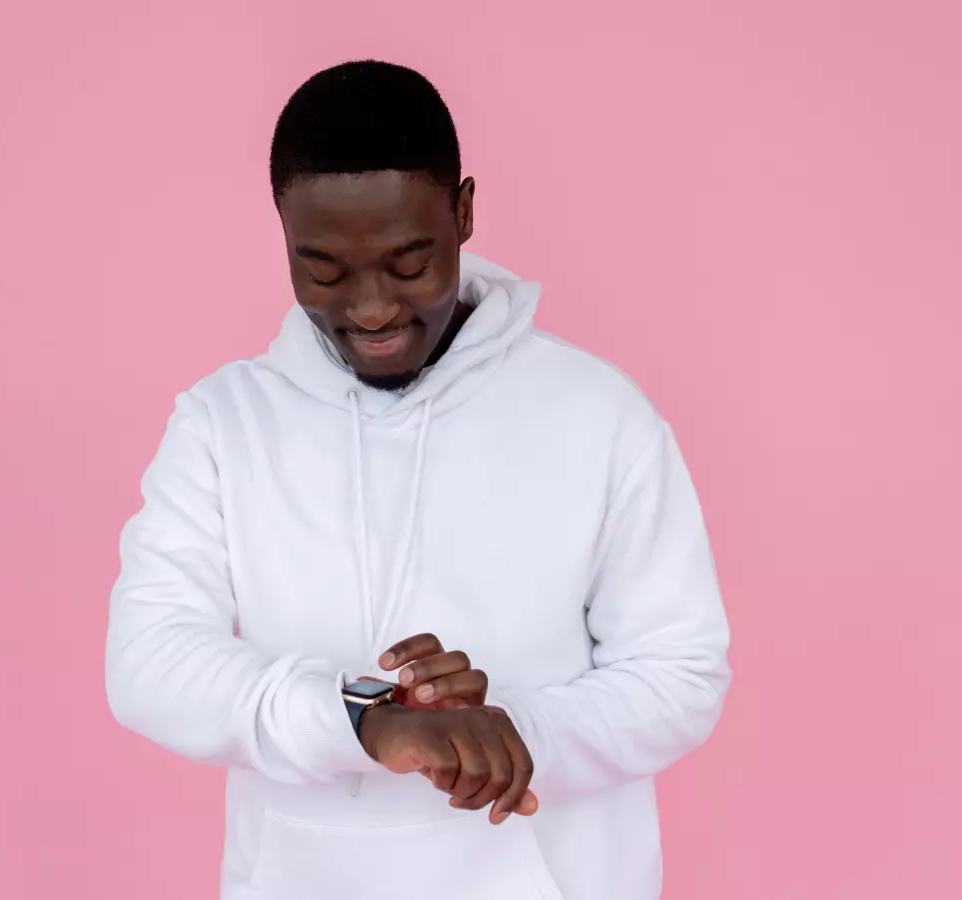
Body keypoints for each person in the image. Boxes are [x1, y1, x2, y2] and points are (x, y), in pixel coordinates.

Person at [106, 59, 731, 900]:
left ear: (464, 211)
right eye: (324, 269)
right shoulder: (222, 424)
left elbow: (680, 670)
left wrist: (509, 733)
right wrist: (364, 718)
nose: (369, 308)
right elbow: (149, 663)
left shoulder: (599, 414)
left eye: (408, 263)